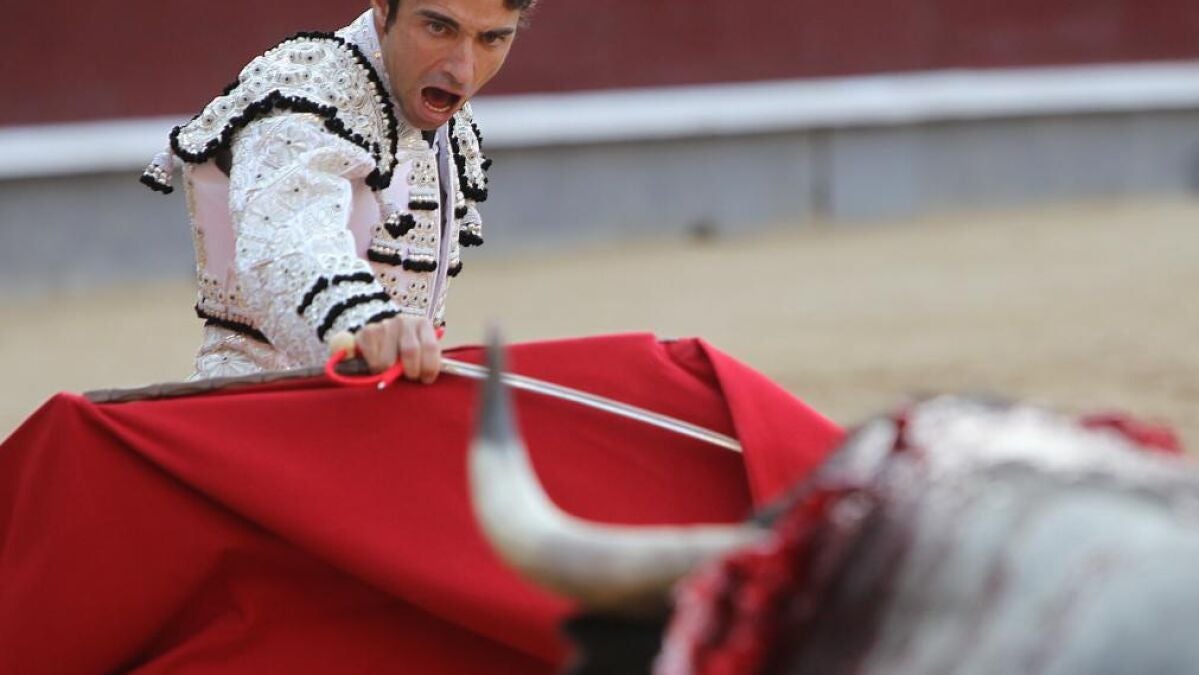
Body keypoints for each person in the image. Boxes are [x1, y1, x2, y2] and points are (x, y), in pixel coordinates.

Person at [140, 0, 535, 383]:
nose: (463, 70)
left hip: (375, 403)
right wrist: (362, 321)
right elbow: (288, 239)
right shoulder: (303, 92)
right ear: (384, 6)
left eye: (492, 39)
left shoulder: (428, 97)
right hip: (258, 411)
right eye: (437, 28)